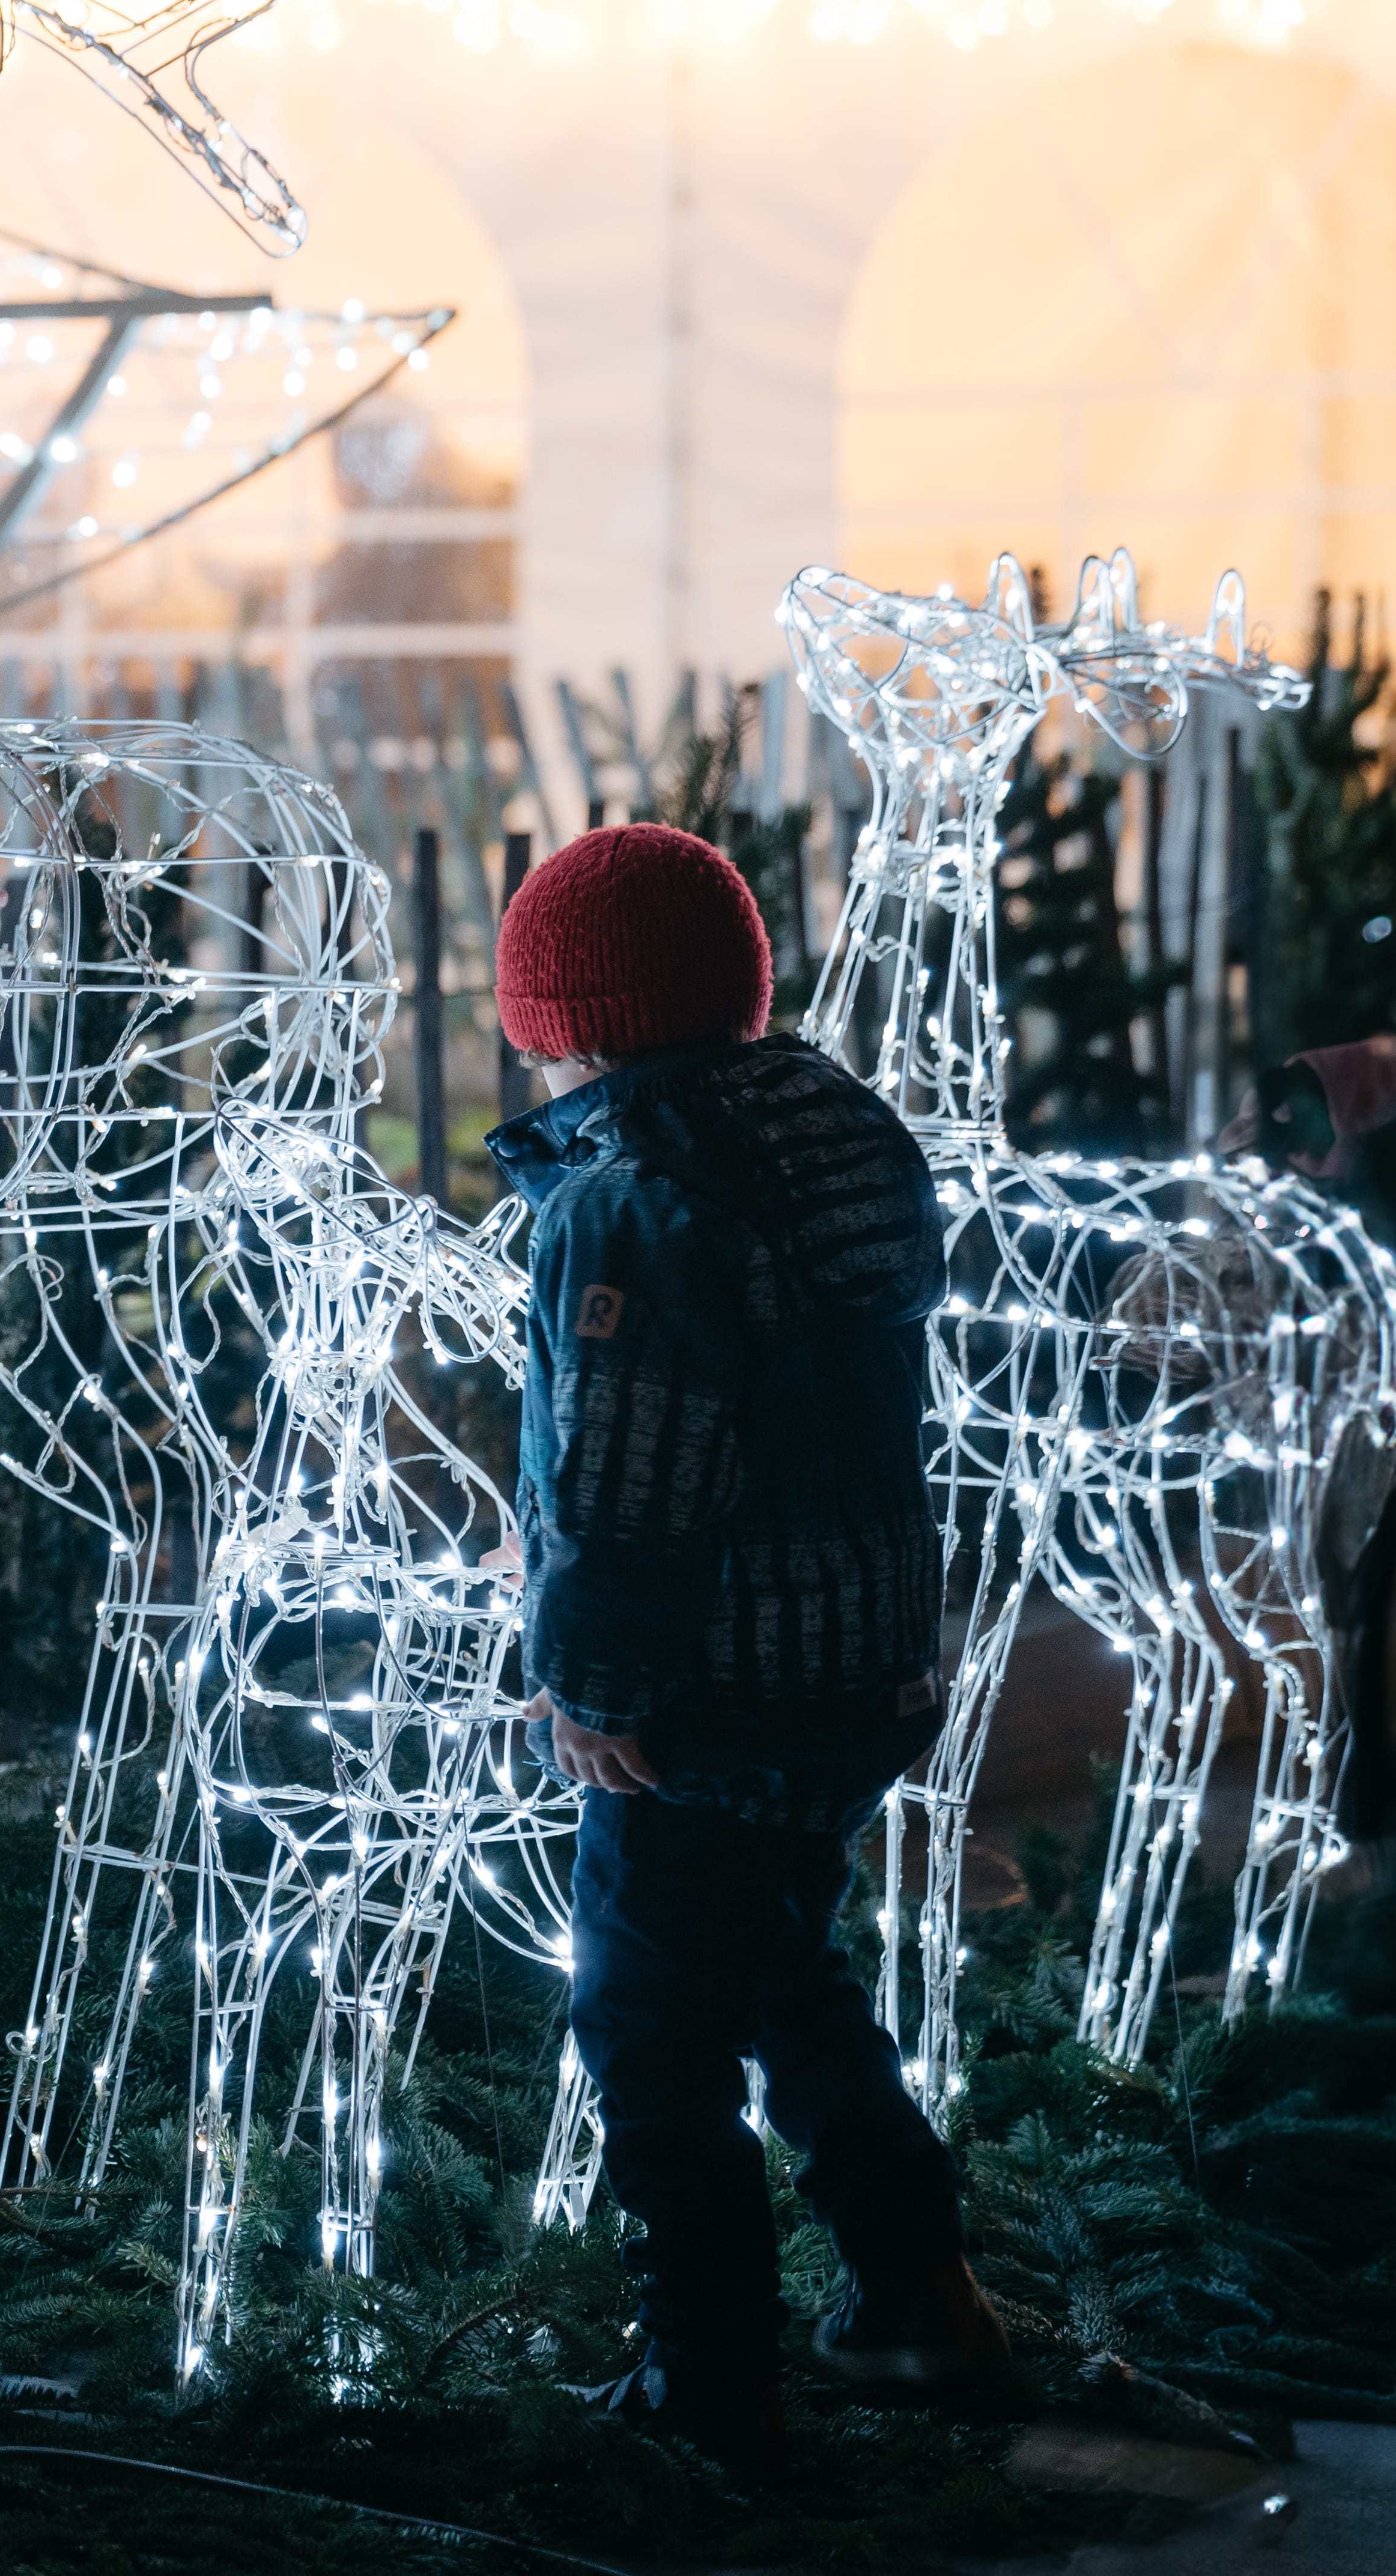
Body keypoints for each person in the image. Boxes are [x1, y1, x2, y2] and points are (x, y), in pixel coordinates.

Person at [484, 822, 1009, 2477]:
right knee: (782, 1972)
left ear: (562, 1012)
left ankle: (705, 2389)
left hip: (705, 1691)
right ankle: (918, 2293)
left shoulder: (630, 1197)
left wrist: (597, 1684)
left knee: (648, 2027)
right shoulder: (835, 1132)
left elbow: (627, 1476)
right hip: (863, 1662)